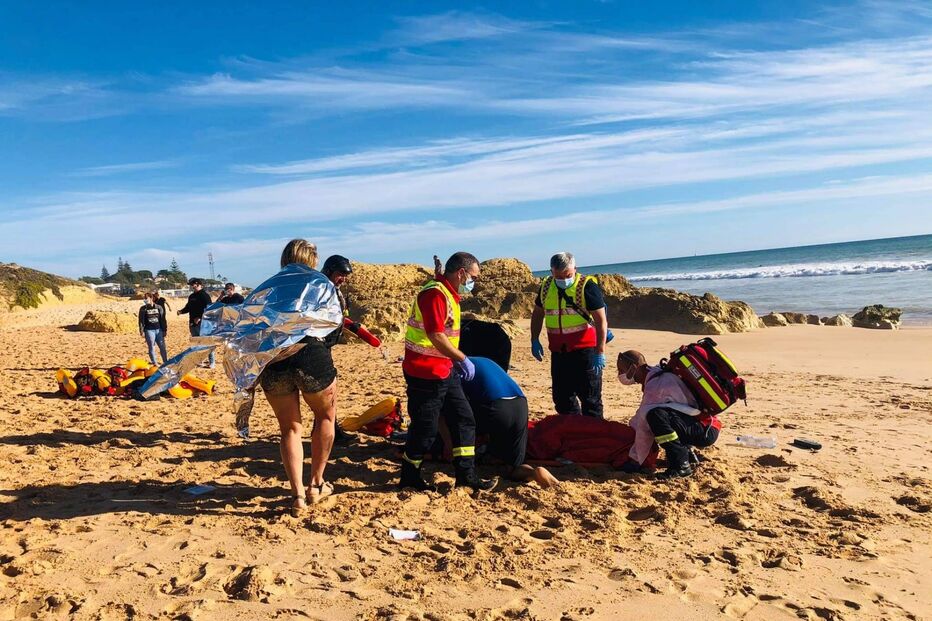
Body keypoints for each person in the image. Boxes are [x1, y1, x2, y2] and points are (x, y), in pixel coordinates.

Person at [257, 239, 342, 515]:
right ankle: (316, 485)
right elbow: (333, 323)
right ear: (313, 259)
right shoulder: (321, 283)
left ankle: (297, 496)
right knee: (325, 417)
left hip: (275, 357)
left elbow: (253, 323)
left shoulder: (267, 285)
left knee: (290, 428)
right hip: (310, 354)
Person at [399, 252, 495, 493]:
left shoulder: (448, 294)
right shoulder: (435, 294)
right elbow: (435, 334)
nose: (474, 282)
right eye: (473, 277)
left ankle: (466, 475)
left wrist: (455, 362)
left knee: (464, 419)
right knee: (425, 430)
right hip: (425, 372)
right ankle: (410, 476)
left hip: (444, 369)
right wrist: (462, 359)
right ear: (461, 273)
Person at [616, 350, 721, 479]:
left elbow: (643, 426)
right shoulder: (656, 373)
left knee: (656, 417)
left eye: (621, 370)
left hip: (703, 430)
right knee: (663, 416)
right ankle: (688, 454)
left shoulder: (656, 387)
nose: (620, 374)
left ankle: (680, 465)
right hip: (704, 424)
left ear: (633, 368)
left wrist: (636, 459)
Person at [530, 252, 608, 418]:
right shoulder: (545, 286)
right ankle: (573, 432)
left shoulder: (586, 286)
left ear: (575, 269)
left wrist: (599, 352)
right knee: (562, 399)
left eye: (568, 275)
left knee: (591, 400)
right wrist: (534, 339)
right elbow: (538, 313)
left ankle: (593, 435)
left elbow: (601, 321)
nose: (564, 280)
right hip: (559, 352)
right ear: (552, 271)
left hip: (585, 352)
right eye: (559, 276)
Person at [461, 357, 558, 488]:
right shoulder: (484, 361)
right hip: (520, 404)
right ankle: (534, 472)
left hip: (495, 406)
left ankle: (487, 450)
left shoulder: (451, 368)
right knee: (513, 467)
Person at [178, 278, 215, 369]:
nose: (191, 286)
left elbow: (209, 309)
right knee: (196, 343)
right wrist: (181, 311)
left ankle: (212, 362)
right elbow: (188, 307)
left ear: (198, 284)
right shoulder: (191, 296)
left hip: (203, 324)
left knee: (206, 343)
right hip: (192, 323)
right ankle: (200, 361)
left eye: (192, 284)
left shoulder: (204, 295)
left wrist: (199, 317)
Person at [138, 292, 168, 365]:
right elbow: (141, 321)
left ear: (151, 298)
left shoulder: (158, 307)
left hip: (159, 330)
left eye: (146, 298)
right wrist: (142, 331)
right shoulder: (143, 309)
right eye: (144, 299)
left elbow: (163, 319)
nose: (145, 300)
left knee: (162, 346)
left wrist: (164, 329)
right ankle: (155, 363)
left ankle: (165, 362)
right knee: (151, 346)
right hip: (149, 330)